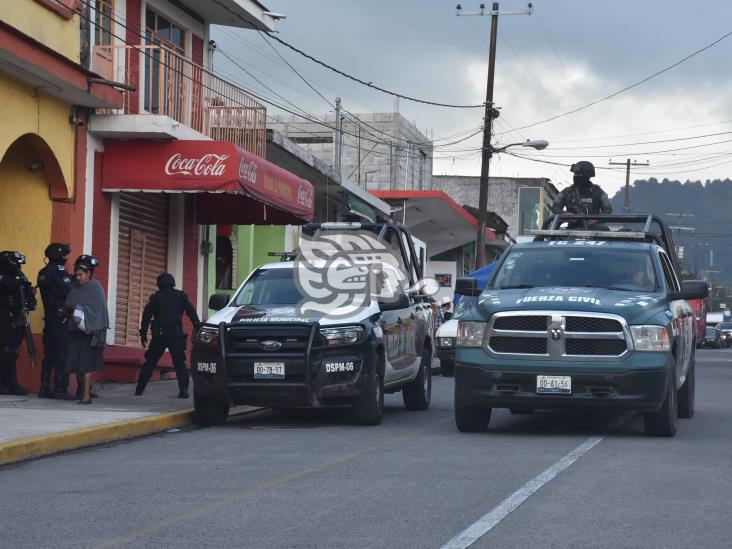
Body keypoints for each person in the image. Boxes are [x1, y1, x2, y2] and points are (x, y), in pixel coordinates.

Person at [136, 273, 200, 398]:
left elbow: (146, 316)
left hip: (160, 334)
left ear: (159, 284)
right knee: (180, 363)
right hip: (176, 333)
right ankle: (184, 390)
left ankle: (140, 388)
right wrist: (197, 328)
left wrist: (143, 333)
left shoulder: (156, 297)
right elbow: (192, 313)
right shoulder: (181, 296)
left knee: (150, 362)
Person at [65, 255, 108, 404]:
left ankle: (86, 396)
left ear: (89, 274)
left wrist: (82, 311)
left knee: (85, 363)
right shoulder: (74, 287)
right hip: (75, 330)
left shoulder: (95, 287)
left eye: (80, 275)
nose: (78, 278)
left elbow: (98, 309)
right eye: (76, 275)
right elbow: (69, 303)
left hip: (91, 331)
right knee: (76, 363)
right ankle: (85, 391)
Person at [37, 243, 76, 400]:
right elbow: (69, 289)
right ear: (59, 256)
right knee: (62, 354)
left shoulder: (43, 272)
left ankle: (45, 388)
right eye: (65, 255)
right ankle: (60, 389)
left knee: (50, 354)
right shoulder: (59, 272)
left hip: (50, 318)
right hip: (61, 318)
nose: (66, 258)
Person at [0, 251, 36, 395]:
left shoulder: (18, 277)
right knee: (4, 351)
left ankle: (12, 383)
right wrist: (20, 283)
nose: (18, 268)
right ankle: (3, 384)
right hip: (3, 318)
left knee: (13, 351)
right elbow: (7, 284)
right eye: (16, 264)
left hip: (16, 318)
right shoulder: (5, 277)